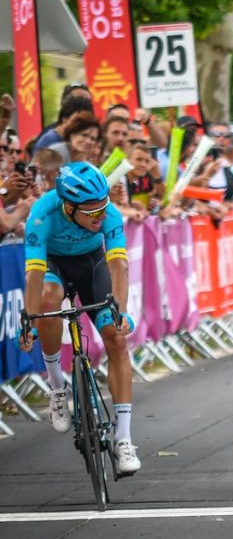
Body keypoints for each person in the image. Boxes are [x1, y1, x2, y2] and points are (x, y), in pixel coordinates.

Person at [20, 162, 140, 474]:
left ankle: (123, 438)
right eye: (93, 212)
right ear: (69, 207)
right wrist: (31, 319)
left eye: (104, 207)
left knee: (115, 336)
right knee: (47, 300)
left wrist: (121, 311)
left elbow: (119, 267)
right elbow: (33, 272)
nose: (101, 216)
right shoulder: (41, 214)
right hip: (53, 266)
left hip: (92, 266)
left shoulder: (109, 214)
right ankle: (58, 387)